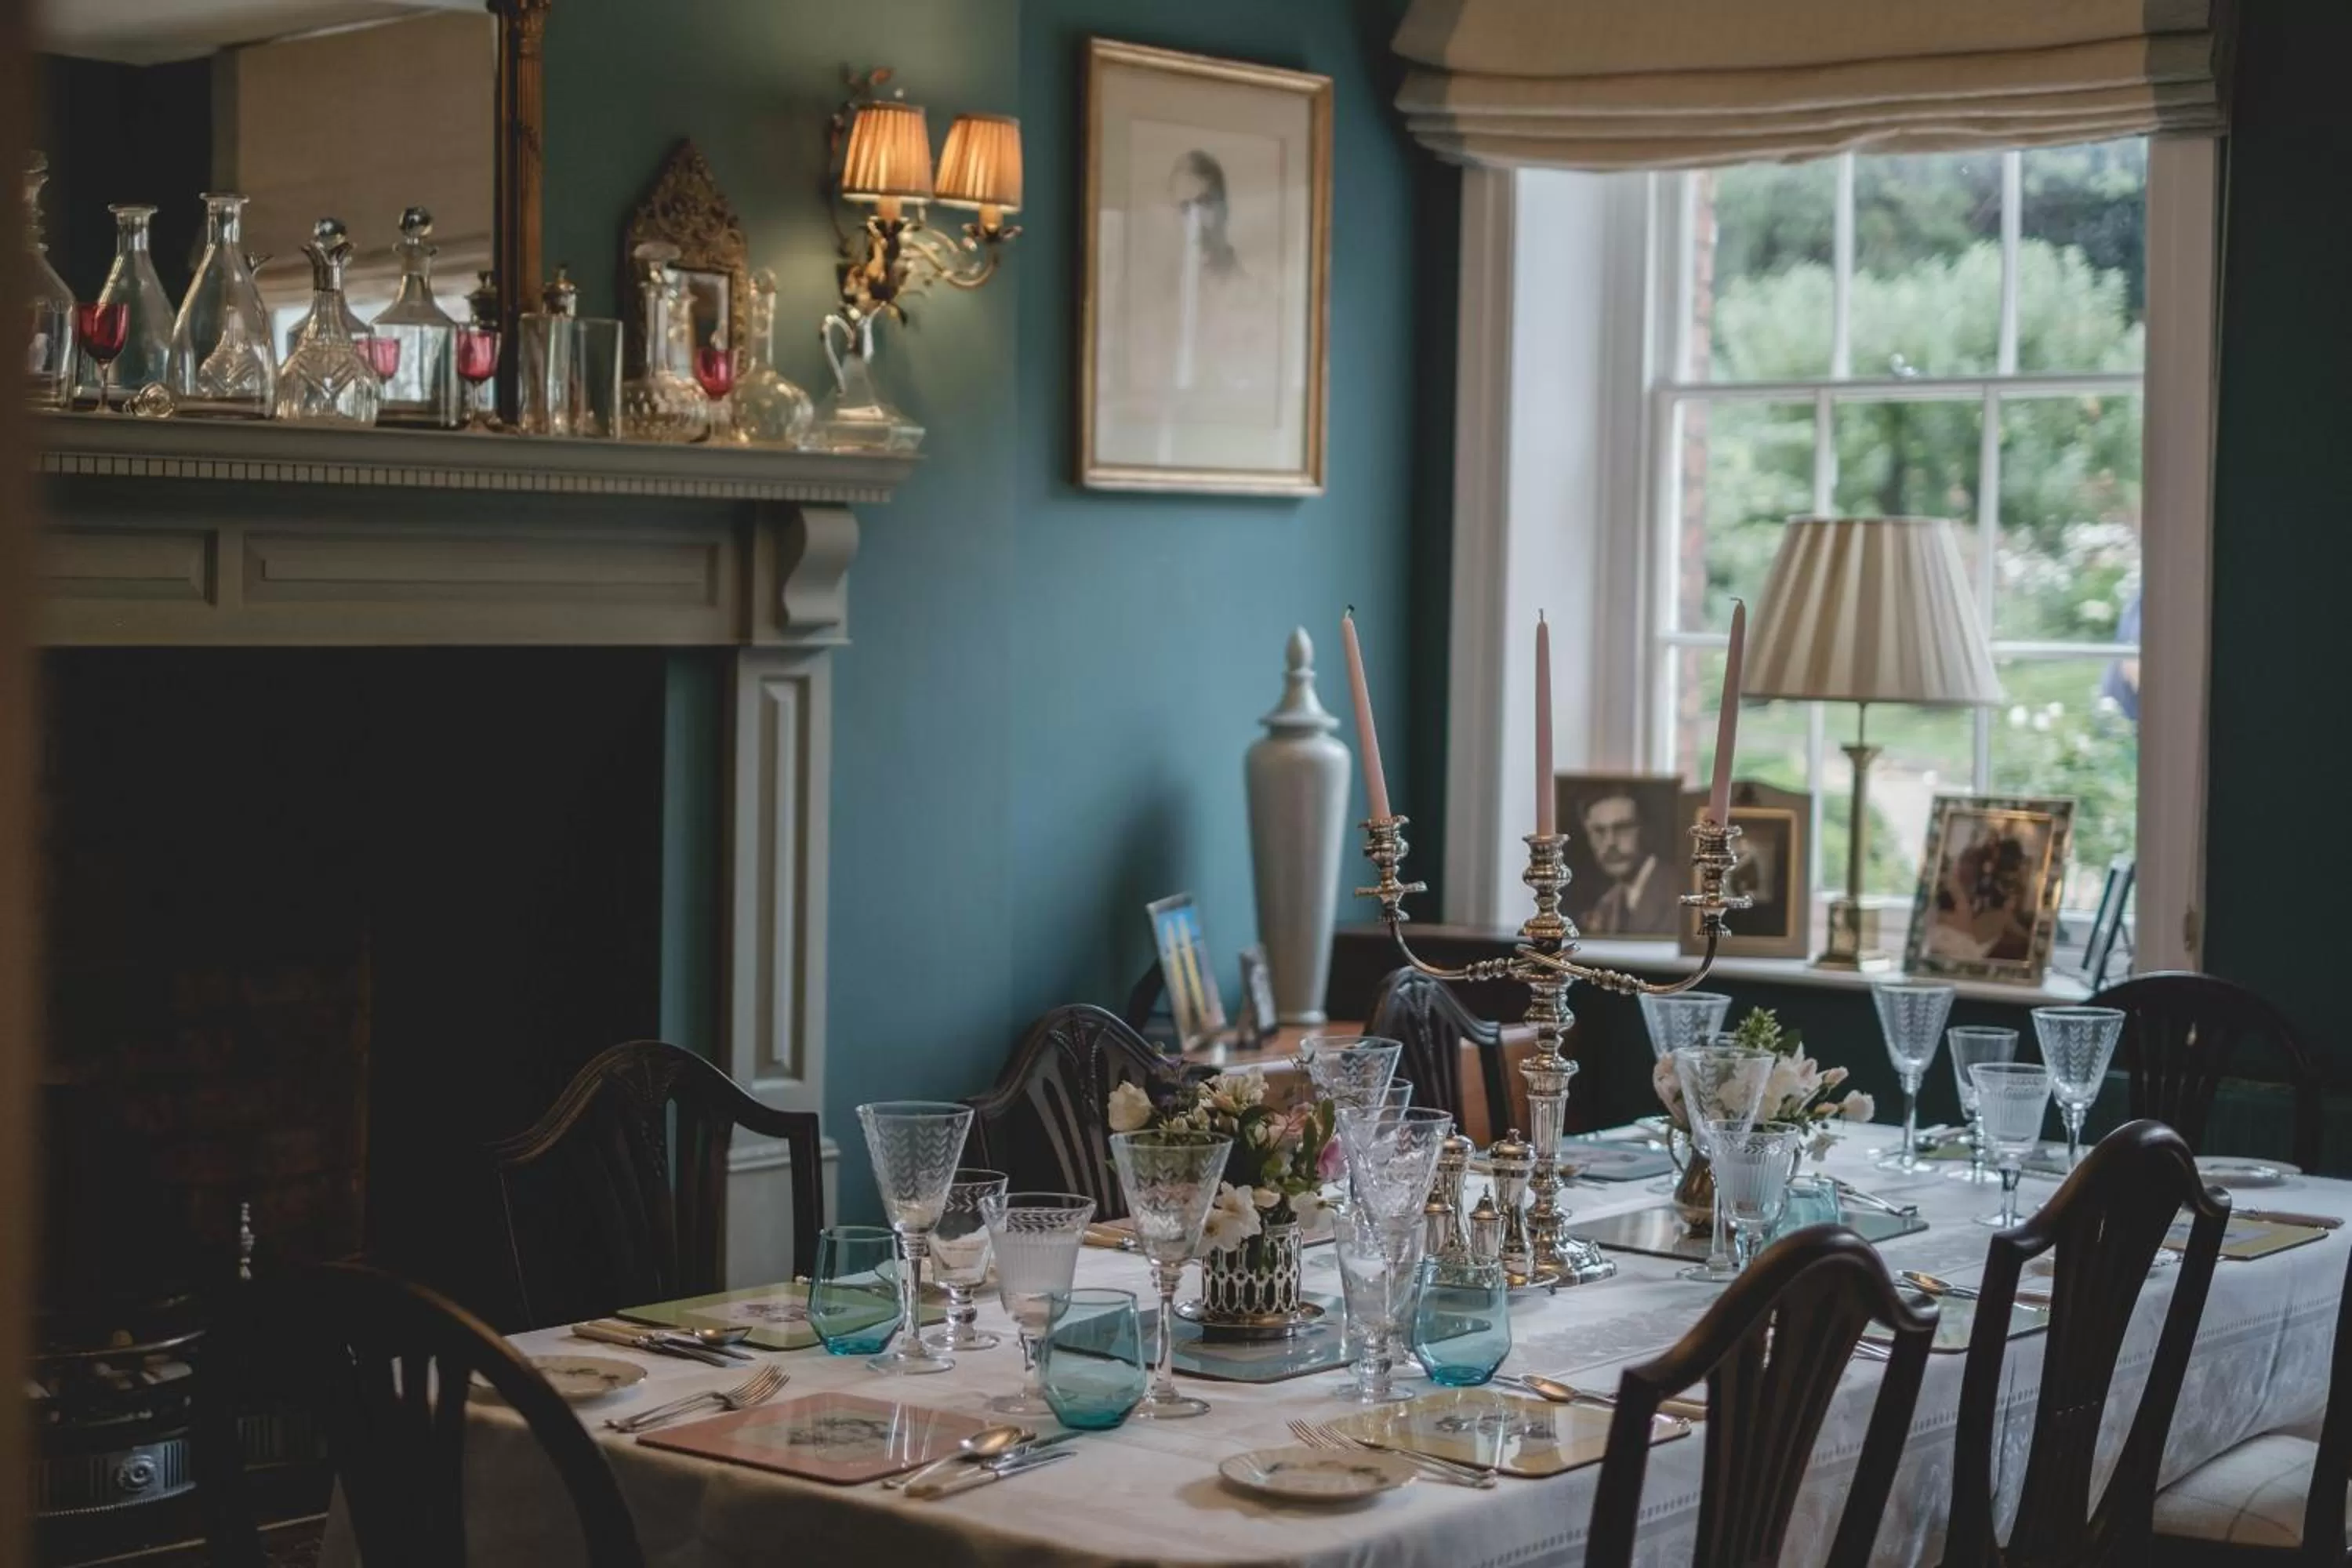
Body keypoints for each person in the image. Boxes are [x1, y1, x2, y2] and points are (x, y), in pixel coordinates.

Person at [1578, 790, 1679, 935]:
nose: (1610, 843)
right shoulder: (1606, 906)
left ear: (1647, 830)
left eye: (1622, 828)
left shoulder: (1677, 892)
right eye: (1599, 831)